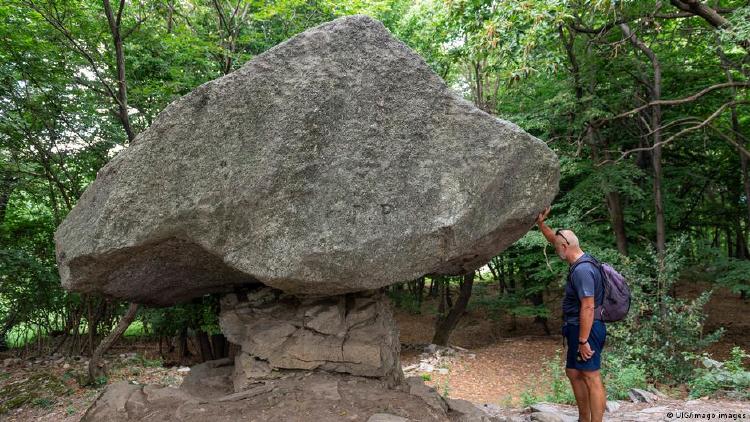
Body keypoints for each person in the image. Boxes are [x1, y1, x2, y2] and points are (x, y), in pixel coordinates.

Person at [536, 206, 606, 422]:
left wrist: (584, 341)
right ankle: (583, 419)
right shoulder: (580, 258)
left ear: (565, 247)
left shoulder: (583, 271)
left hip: (587, 328)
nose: (556, 250)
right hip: (577, 328)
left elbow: (588, 306)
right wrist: (541, 224)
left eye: (558, 247)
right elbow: (554, 239)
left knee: (591, 376)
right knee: (574, 372)